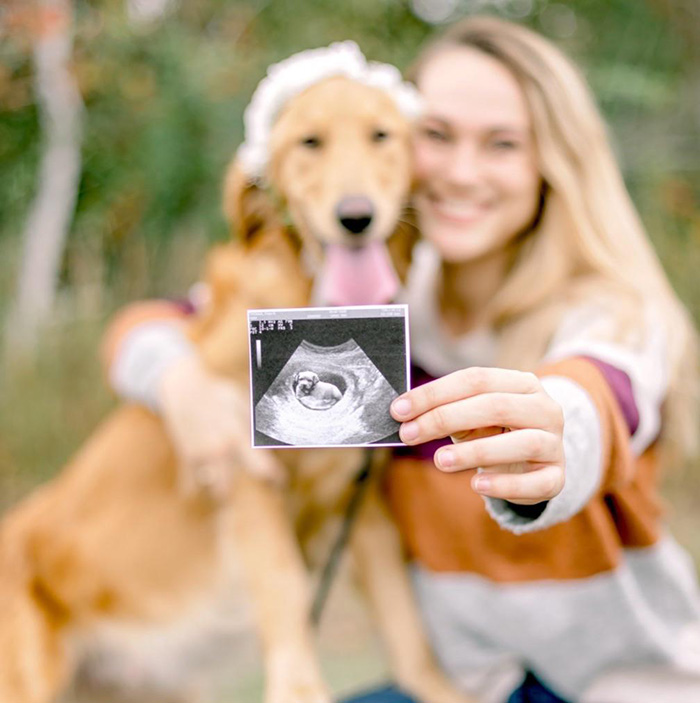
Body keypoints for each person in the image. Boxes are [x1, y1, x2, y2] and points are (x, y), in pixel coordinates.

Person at [100, 16, 700, 703]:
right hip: (470, 683)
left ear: (553, 161)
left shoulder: (618, 313)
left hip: (616, 685)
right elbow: (153, 324)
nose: (460, 172)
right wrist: (179, 384)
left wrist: (552, 431)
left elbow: (597, 396)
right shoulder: (376, 298)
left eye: (502, 144)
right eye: (437, 137)